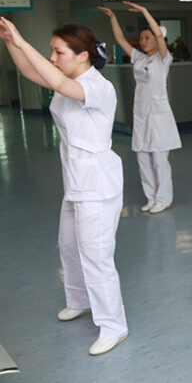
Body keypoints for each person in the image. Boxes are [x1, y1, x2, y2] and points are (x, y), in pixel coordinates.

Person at [0, 20, 128, 355]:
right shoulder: (68, 81)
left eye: (58, 51)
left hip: (97, 185)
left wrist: (23, 39)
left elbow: (52, 76)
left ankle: (114, 326)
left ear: (83, 55)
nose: (53, 57)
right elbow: (32, 73)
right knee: (69, 248)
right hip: (76, 183)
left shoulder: (96, 87)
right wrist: (11, 42)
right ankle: (80, 300)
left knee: (97, 257)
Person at [99, 2, 182, 214]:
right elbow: (120, 40)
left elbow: (161, 37)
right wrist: (112, 17)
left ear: (156, 39)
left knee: (159, 161)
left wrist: (145, 11)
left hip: (159, 117)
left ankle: (164, 198)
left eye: (147, 38)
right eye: (142, 38)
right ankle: (152, 197)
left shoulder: (163, 59)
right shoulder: (139, 57)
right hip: (141, 114)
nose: (143, 41)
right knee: (143, 159)